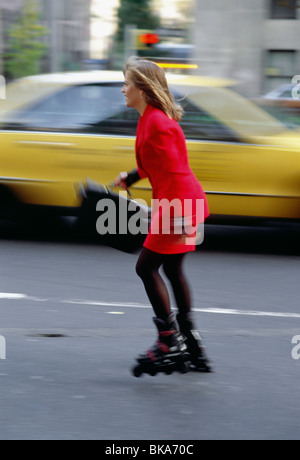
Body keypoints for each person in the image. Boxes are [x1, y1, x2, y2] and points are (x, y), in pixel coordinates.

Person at [114, 57, 211, 372]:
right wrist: (130, 178)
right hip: (183, 201)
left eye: (127, 83)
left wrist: (167, 212)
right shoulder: (149, 118)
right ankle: (191, 341)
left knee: (146, 267)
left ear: (142, 89)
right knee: (172, 268)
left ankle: (168, 339)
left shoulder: (157, 121)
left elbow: (174, 169)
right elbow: (153, 163)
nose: (123, 89)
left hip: (180, 204)